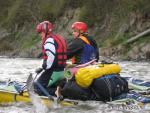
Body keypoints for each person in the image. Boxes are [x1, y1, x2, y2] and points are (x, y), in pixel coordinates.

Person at [34, 21, 67, 96]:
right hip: (61, 71)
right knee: (48, 85)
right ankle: (59, 91)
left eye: (41, 33)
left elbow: (52, 57)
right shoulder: (57, 38)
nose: (40, 35)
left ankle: (56, 92)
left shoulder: (48, 41)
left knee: (36, 87)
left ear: (45, 32)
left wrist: (44, 67)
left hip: (52, 71)